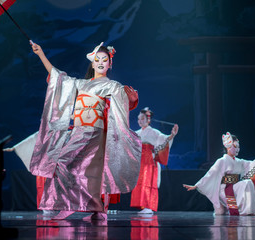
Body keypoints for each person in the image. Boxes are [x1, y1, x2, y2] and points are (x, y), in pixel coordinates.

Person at [28, 41, 142, 220]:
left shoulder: (113, 86)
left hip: (97, 133)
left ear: (110, 63)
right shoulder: (80, 84)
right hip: (80, 131)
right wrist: (41, 54)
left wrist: (131, 100)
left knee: (97, 172)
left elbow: (122, 105)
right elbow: (58, 77)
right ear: (93, 62)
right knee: (64, 164)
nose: (101, 62)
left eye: (105, 59)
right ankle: (72, 204)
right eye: (98, 59)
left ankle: (98, 211)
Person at [183, 132, 255, 215]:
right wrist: (196, 185)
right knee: (245, 184)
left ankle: (249, 210)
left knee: (248, 183)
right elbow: (210, 174)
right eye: (235, 146)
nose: (237, 149)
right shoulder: (221, 161)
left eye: (238, 147)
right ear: (228, 147)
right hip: (224, 190)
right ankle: (240, 209)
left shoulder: (239, 161)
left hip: (234, 187)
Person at [130, 107, 179, 214]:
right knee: (140, 184)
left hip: (149, 162)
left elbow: (164, 141)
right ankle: (143, 206)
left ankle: (148, 206)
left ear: (148, 120)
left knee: (148, 182)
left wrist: (172, 135)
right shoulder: (137, 133)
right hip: (140, 162)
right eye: (138, 119)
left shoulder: (154, 132)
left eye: (142, 118)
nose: (140, 121)